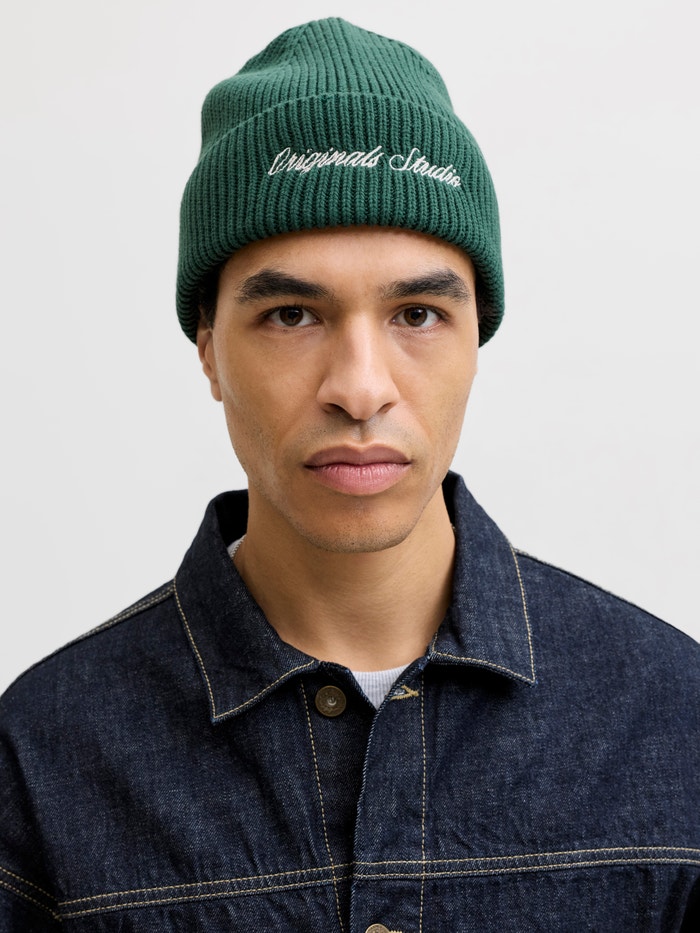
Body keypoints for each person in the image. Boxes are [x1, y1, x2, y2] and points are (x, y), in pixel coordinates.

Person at [1, 16, 698, 932]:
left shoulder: (674, 719)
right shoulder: (40, 756)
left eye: (417, 313)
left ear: (477, 339)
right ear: (208, 349)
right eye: (292, 314)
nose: (361, 388)